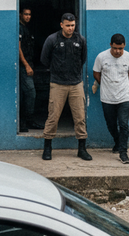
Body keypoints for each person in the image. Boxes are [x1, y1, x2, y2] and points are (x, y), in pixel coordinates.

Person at [40, 13, 91, 161]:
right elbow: (44, 59)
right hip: (57, 84)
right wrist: (57, 70)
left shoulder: (81, 40)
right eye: (68, 25)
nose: (70, 28)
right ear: (61, 25)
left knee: (80, 117)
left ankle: (82, 149)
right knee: (53, 117)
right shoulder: (52, 39)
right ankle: (47, 148)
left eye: (73, 25)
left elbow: (83, 59)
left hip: (76, 84)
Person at [92, 33, 129, 164]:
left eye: (121, 48)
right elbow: (96, 73)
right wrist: (105, 84)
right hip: (107, 97)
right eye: (115, 48)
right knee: (111, 124)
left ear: (124, 46)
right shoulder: (101, 57)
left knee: (123, 124)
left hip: (124, 96)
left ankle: (123, 153)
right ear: (110, 45)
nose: (118, 51)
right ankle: (117, 142)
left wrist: (121, 85)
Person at [18, 6, 43, 133]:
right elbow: (18, 48)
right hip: (23, 66)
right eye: (25, 14)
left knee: (26, 94)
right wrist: (26, 65)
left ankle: (27, 121)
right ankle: (26, 121)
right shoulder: (19, 28)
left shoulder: (27, 28)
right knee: (30, 92)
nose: (28, 16)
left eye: (29, 14)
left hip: (29, 64)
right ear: (20, 14)